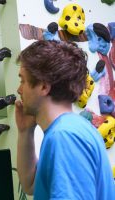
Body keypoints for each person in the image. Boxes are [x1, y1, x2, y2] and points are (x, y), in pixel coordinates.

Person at [15, 40, 115, 199]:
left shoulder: (65, 137)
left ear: (43, 86)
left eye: (23, 81)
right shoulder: (71, 128)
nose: (19, 90)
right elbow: (31, 185)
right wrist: (25, 131)